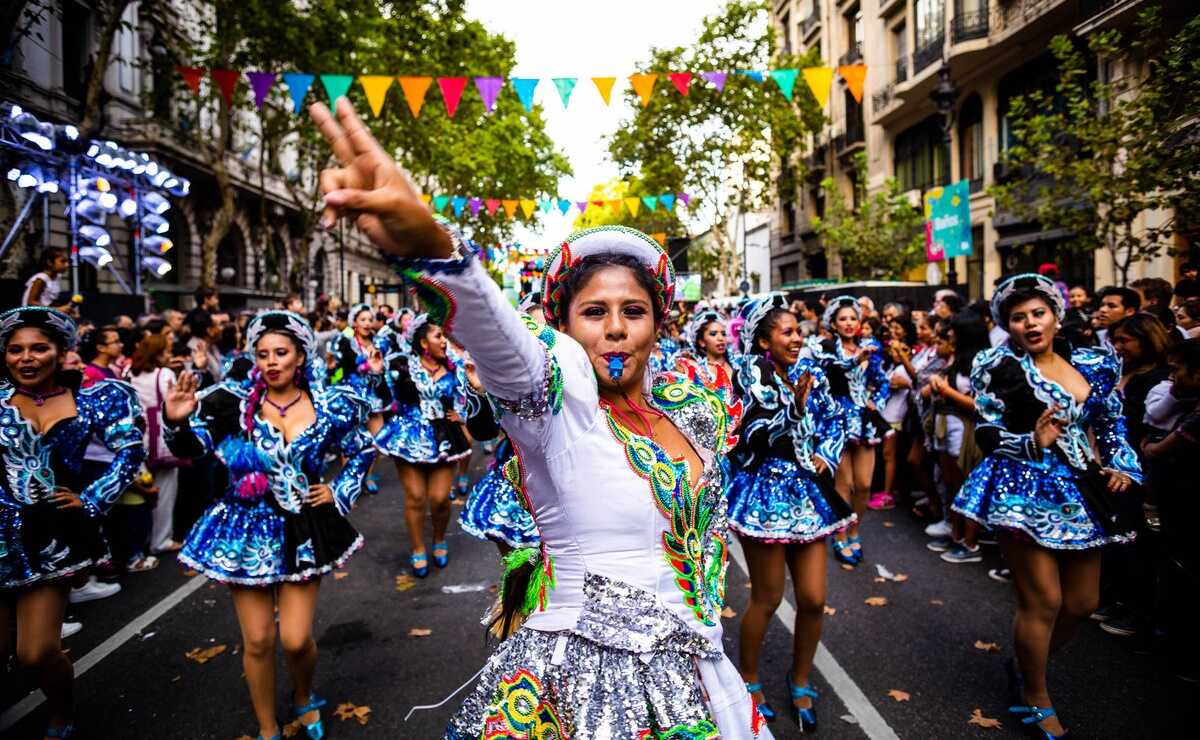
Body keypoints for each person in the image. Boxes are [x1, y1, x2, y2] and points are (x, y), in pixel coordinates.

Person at [310, 98, 768, 738]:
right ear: (564, 328)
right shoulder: (559, 407)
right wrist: (433, 248)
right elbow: (503, 345)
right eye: (594, 312)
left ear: (658, 324)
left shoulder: (693, 411)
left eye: (633, 312)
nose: (615, 328)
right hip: (582, 685)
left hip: (701, 677)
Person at [163, 310, 380, 740]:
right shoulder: (231, 405)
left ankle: (303, 694)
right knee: (259, 640)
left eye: (281, 353)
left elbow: (362, 448)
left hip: (304, 528)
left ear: (300, 356)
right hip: (245, 529)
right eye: (262, 354)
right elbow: (192, 449)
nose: (271, 362)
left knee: (296, 640)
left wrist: (338, 491)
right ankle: (267, 727)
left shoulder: (330, 405)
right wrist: (176, 421)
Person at [952, 274, 1141, 739]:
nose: (1030, 324)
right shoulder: (999, 366)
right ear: (1008, 326)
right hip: (1021, 487)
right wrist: (1031, 442)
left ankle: (1025, 665)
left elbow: (1111, 422)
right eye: (1018, 318)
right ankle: (1035, 694)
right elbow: (986, 432)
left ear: (1056, 316)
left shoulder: (1093, 362)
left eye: (1038, 313)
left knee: (1082, 603)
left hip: (1080, 488)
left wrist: (1122, 465)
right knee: (1044, 601)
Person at [0, 307, 145, 739]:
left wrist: (92, 498)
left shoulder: (93, 400)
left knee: (35, 652)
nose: (26, 358)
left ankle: (63, 714)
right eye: (15, 350)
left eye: (39, 348)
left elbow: (130, 451)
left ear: (61, 351)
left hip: (52, 536)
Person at [728, 293, 852, 729]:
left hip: (807, 493)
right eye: (787, 332)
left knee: (814, 599)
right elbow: (753, 434)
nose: (797, 338)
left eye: (799, 331)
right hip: (764, 492)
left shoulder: (810, 372)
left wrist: (827, 455)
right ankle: (747, 680)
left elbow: (835, 419)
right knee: (767, 598)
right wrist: (794, 411)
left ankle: (800, 679)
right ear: (765, 340)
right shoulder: (750, 374)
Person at [374, 315, 472, 577]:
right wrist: (376, 374)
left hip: (444, 436)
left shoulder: (455, 367)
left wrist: (462, 414)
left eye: (445, 336)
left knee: (439, 498)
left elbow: (469, 396)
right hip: (408, 436)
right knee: (416, 497)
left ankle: (439, 538)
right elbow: (383, 395)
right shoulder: (401, 365)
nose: (444, 341)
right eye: (439, 336)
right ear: (423, 342)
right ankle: (418, 547)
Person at [803, 296, 889, 567]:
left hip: (864, 422)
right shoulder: (827, 348)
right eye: (843, 319)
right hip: (837, 421)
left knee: (864, 485)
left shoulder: (871, 348)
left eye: (853, 318)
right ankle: (840, 534)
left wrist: (877, 402)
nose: (849, 323)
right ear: (834, 323)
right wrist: (857, 360)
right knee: (845, 484)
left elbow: (882, 380)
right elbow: (836, 367)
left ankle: (854, 530)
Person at [128, 333, 186, 555]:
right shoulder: (164, 374)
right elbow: (174, 402)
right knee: (165, 490)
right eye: (166, 351)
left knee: (142, 490)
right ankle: (161, 539)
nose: (169, 355)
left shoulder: (129, 372)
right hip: (160, 435)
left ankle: (142, 539)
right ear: (158, 353)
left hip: (137, 434)